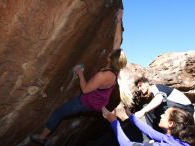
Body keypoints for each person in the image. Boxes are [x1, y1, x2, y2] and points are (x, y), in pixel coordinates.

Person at [30, 9, 127, 145]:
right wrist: (119, 19)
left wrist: (80, 73)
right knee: (97, 103)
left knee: (59, 113)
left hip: (87, 102)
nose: (109, 54)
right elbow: (117, 41)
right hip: (100, 101)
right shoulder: (116, 70)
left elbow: (86, 90)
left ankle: (42, 138)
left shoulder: (103, 75)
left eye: (111, 55)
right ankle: (102, 108)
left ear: (111, 60)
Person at [102, 106, 195, 146]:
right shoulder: (176, 140)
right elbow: (151, 132)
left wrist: (114, 122)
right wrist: (131, 116)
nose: (161, 115)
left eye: (165, 114)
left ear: (171, 124)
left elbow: (127, 145)